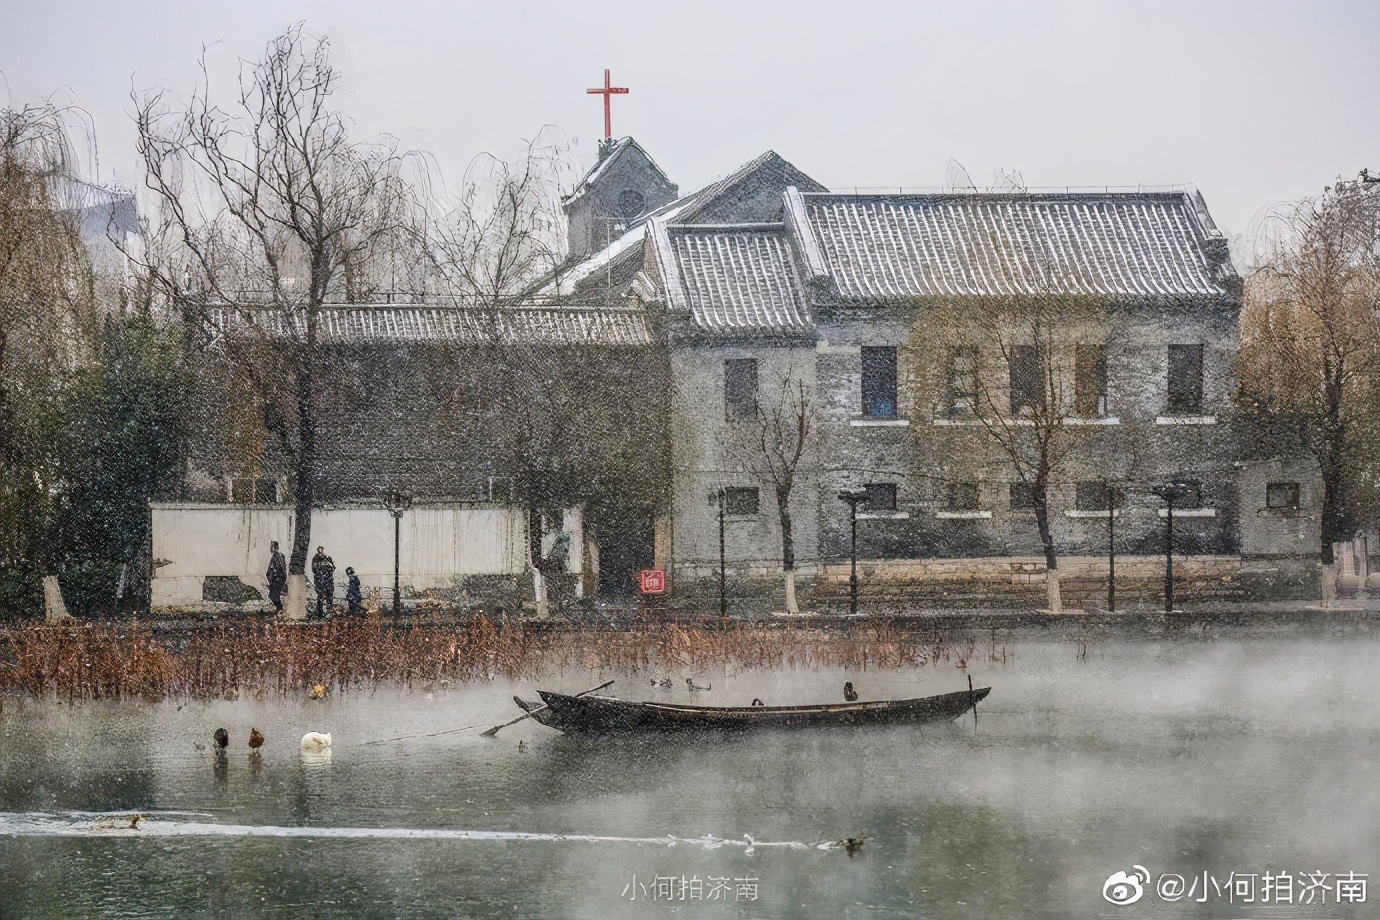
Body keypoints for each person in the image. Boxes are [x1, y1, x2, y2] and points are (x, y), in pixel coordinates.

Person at [311, 546, 336, 619]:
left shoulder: (328, 559)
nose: (320, 553)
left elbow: (333, 568)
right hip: (320, 583)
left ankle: (328, 613)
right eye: (319, 552)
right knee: (321, 598)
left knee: (329, 598)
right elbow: (314, 570)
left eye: (321, 551)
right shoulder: (315, 560)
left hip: (328, 582)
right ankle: (320, 615)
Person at [265, 541, 287, 614]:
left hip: (277, 579)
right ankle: (279, 609)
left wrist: (278, 577)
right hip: (275, 579)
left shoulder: (279, 556)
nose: (270, 548)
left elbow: (281, 568)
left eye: (272, 547)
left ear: (275, 547)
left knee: (274, 595)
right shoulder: (275, 556)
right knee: (273, 595)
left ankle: (280, 609)